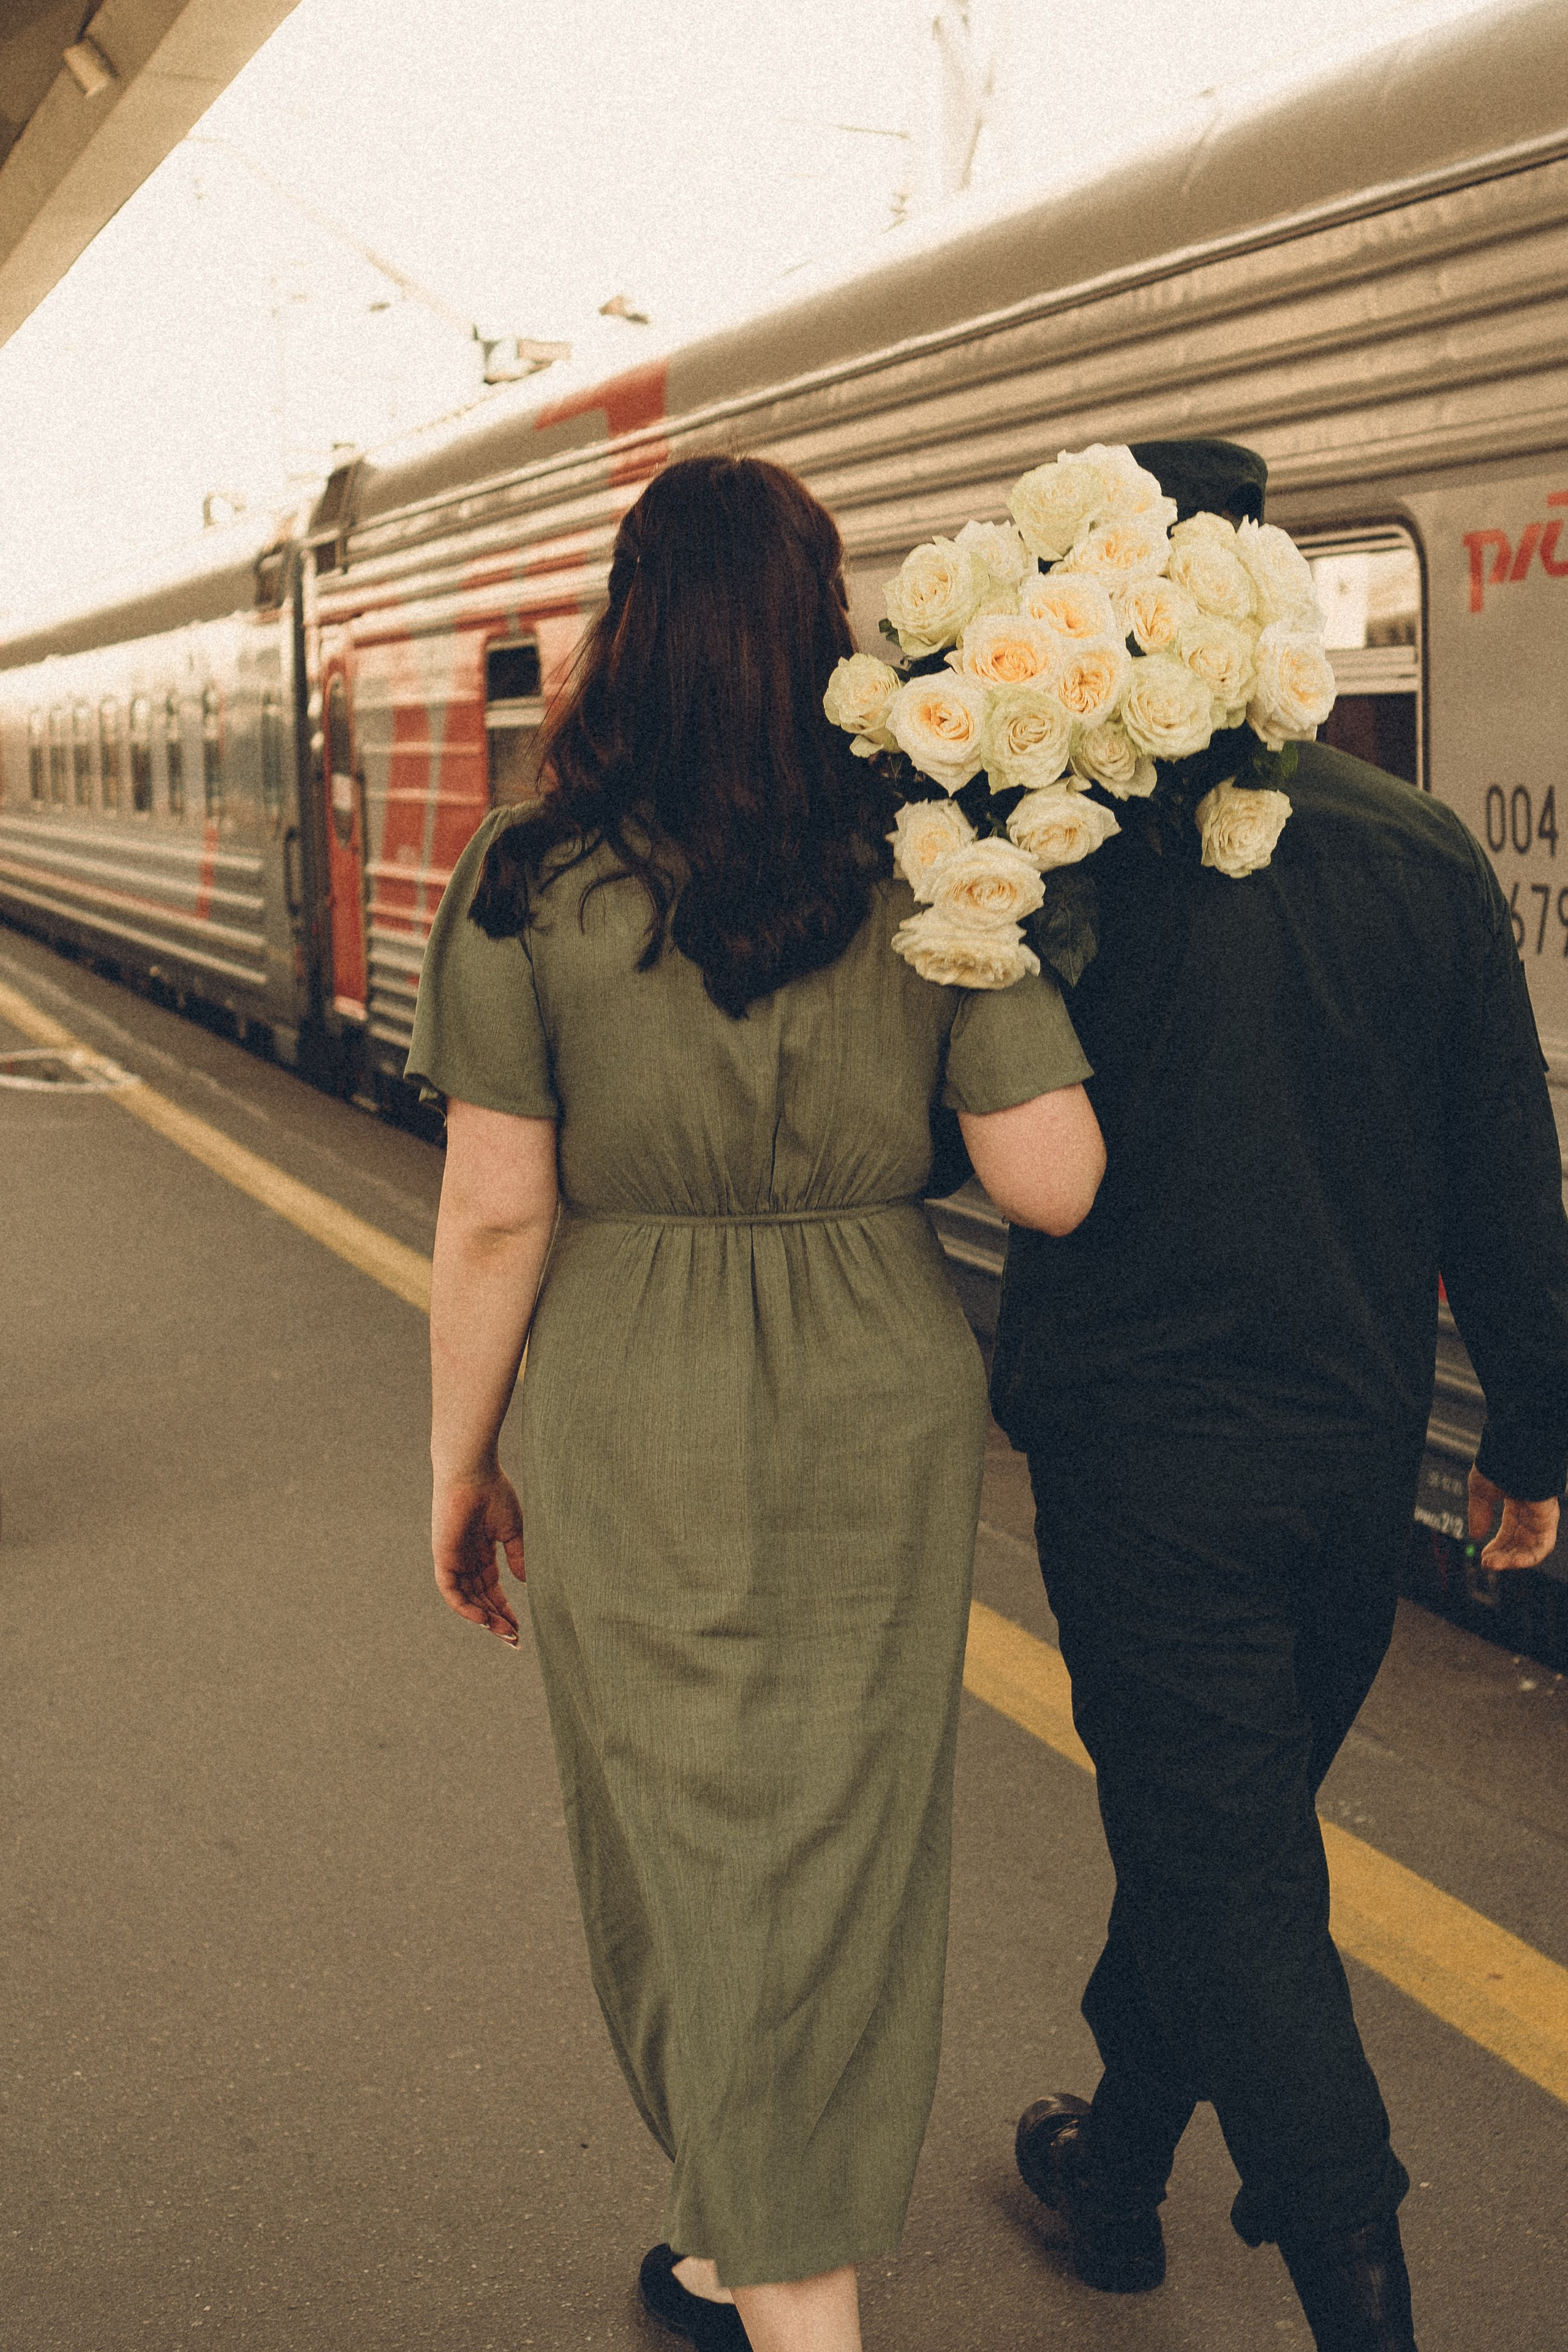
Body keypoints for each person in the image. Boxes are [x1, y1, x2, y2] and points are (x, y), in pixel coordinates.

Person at [405, 454, 1104, 2352]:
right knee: (841, 1844)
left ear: (629, 629)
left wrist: (462, 1468)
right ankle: (736, 2240)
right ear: (823, 629)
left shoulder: (528, 873)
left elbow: (491, 1218)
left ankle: (799, 2297)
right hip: (880, 1380)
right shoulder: (934, 857)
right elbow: (1053, 1182)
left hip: (632, 1381)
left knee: (680, 1839)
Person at [993, 436, 1568, 2352]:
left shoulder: (1063, 855)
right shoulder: (1415, 852)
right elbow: (1509, 1176)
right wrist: (1531, 1446)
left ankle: (1365, 2295)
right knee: (1222, 1831)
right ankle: (1119, 2161)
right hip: (1348, 1459)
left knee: (1224, 1855)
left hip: (1146, 1467)